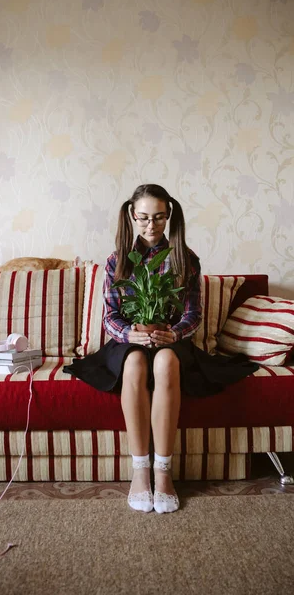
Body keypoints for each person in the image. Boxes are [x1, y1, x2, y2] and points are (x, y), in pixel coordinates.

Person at [64, 184, 258, 514]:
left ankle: (163, 472)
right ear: (131, 215)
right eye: (143, 218)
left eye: (158, 218)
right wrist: (130, 333)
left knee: (166, 362)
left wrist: (174, 333)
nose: (151, 226)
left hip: (171, 341)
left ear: (169, 216)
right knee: (135, 365)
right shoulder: (117, 261)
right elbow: (110, 315)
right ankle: (140, 471)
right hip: (130, 343)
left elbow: (193, 314)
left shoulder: (185, 258)